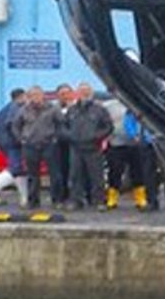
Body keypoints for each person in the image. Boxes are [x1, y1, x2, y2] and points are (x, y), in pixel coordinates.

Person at [64, 83, 113, 211]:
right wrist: (70, 136)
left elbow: (108, 127)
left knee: (97, 176)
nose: (84, 93)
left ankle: (99, 201)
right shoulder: (72, 110)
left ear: (91, 93)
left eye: (87, 91)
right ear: (77, 93)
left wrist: (96, 136)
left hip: (93, 148)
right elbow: (63, 126)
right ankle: (76, 201)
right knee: (75, 176)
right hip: (76, 148)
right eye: (82, 91)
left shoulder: (100, 110)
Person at [11, 87, 60, 209]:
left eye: (38, 94)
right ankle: (33, 201)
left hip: (49, 144)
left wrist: (55, 138)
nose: (36, 97)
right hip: (30, 146)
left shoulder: (53, 109)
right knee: (32, 175)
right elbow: (15, 126)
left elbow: (60, 123)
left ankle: (56, 200)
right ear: (29, 97)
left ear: (43, 95)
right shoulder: (23, 110)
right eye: (33, 95)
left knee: (54, 173)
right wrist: (21, 139)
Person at [50, 84, 75, 208]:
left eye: (67, 93)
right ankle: (58, 198)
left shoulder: (76, 108)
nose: (65, 96)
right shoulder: (52, 109)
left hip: (73, 144)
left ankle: (73, 197)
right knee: (57, 172)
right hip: (56, 144)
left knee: (73, 172)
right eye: (62, 94)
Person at [103, 96, 129, 210]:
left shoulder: (135, 104)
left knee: (138, 171)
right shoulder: (108, 106)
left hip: (135, 143)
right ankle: (112, 197)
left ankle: (141, 198)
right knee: (115, 170)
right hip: (114, 143)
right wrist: (106, 136)